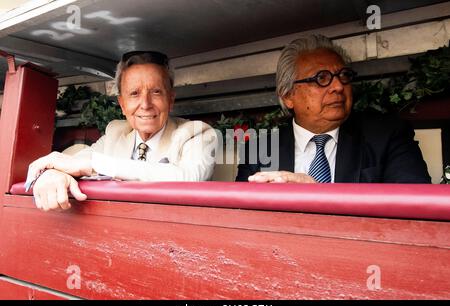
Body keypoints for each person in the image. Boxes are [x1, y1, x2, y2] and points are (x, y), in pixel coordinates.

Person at [27, 51, 218, 211]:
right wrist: (56, 174)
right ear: (122, 105)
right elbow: (76, 163)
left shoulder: (198, 134)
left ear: (171, 100)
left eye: (156, 92)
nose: (145, 104)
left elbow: (188, 179)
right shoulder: (115, 132)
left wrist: (95, 164)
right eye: (134, 94)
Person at [236, 35, 431, 184]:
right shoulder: (261, 149)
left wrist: (318, 196)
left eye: (344, 75)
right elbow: (240, 217)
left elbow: (417, 212)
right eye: (321, 78)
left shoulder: (387, 136)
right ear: (288, 96)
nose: (338, 86)